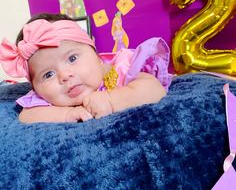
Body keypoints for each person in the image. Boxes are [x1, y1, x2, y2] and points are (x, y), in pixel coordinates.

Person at [0, 13, 172, 123]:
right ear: (36, 87)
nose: (64, 76)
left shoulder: (118, 69)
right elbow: (27, 116)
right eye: (48, 74)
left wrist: (111, 100)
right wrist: (66, 115)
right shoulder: (47, 99)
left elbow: (154, 89)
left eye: (72, 58)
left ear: (96, 57)